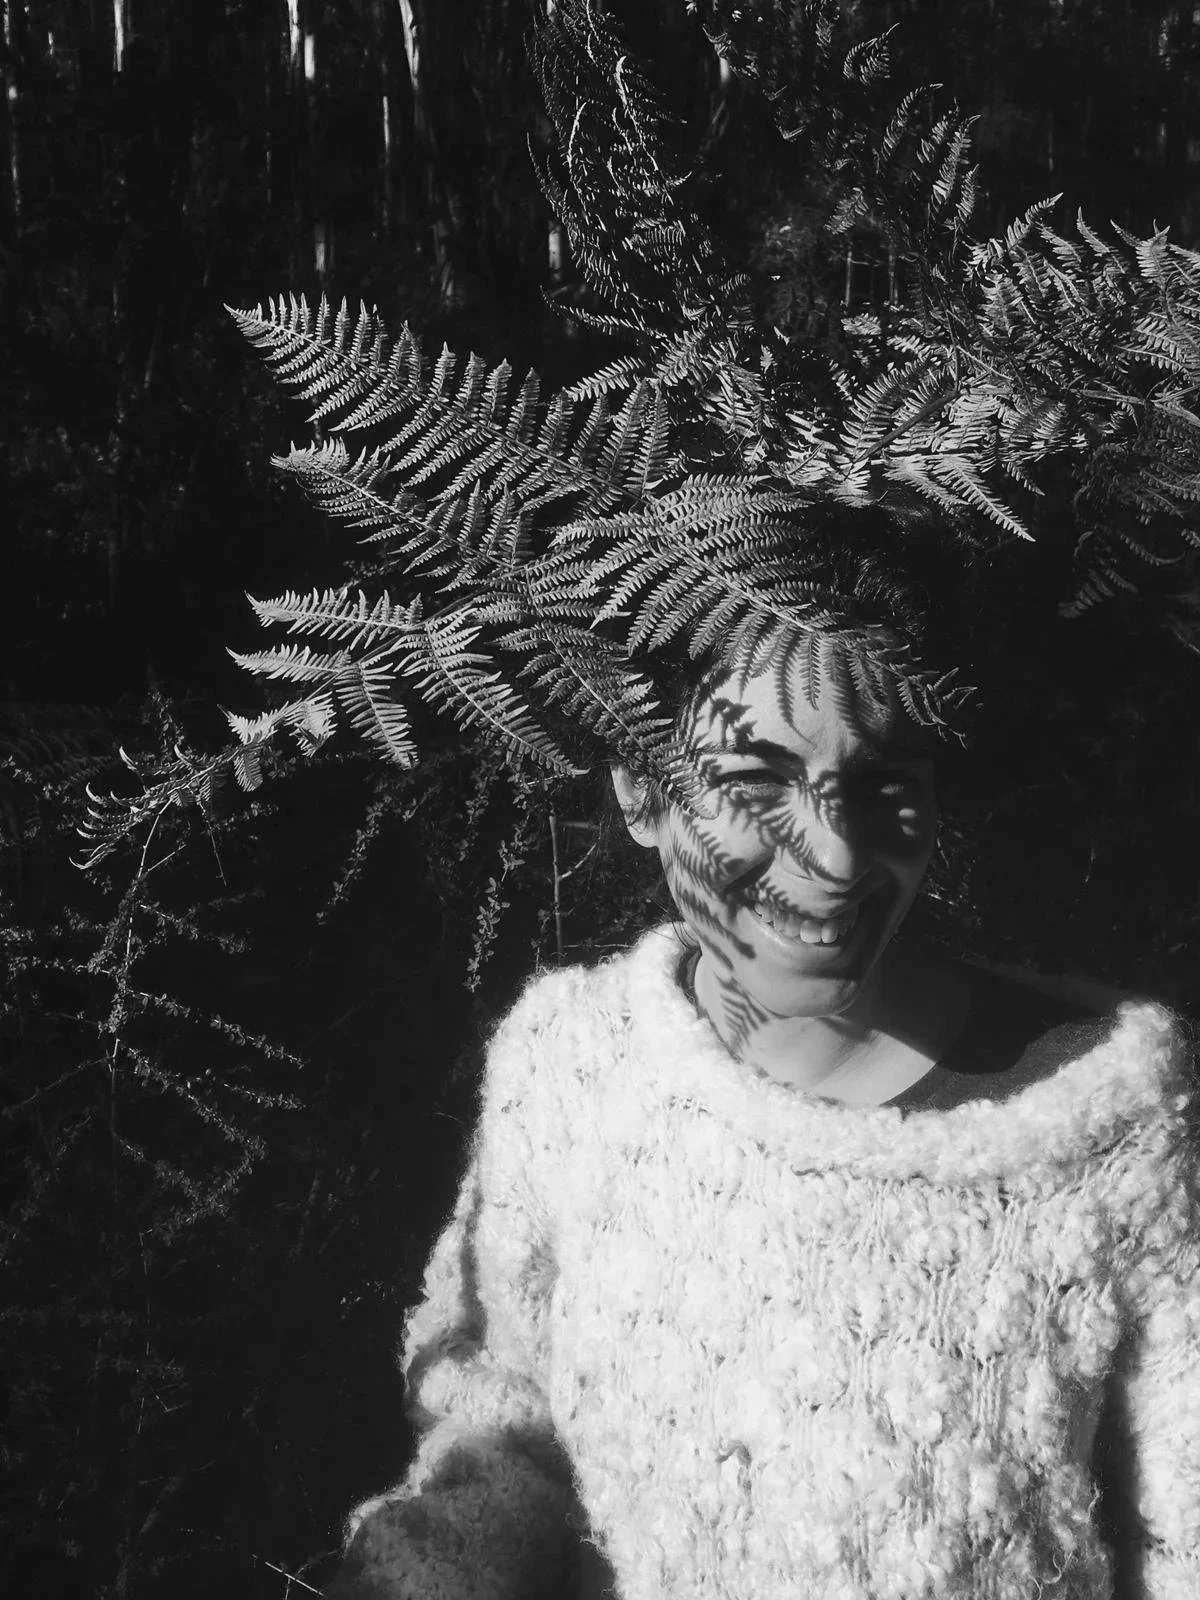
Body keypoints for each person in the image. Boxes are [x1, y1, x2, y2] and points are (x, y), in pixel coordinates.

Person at [327, 622, 1200, 1600]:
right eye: (755, 776)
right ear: (640, 788)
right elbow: (507, 1422)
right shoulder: (572, 1074)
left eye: (884, 781)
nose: (833, 855)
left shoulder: (1112, 1125)